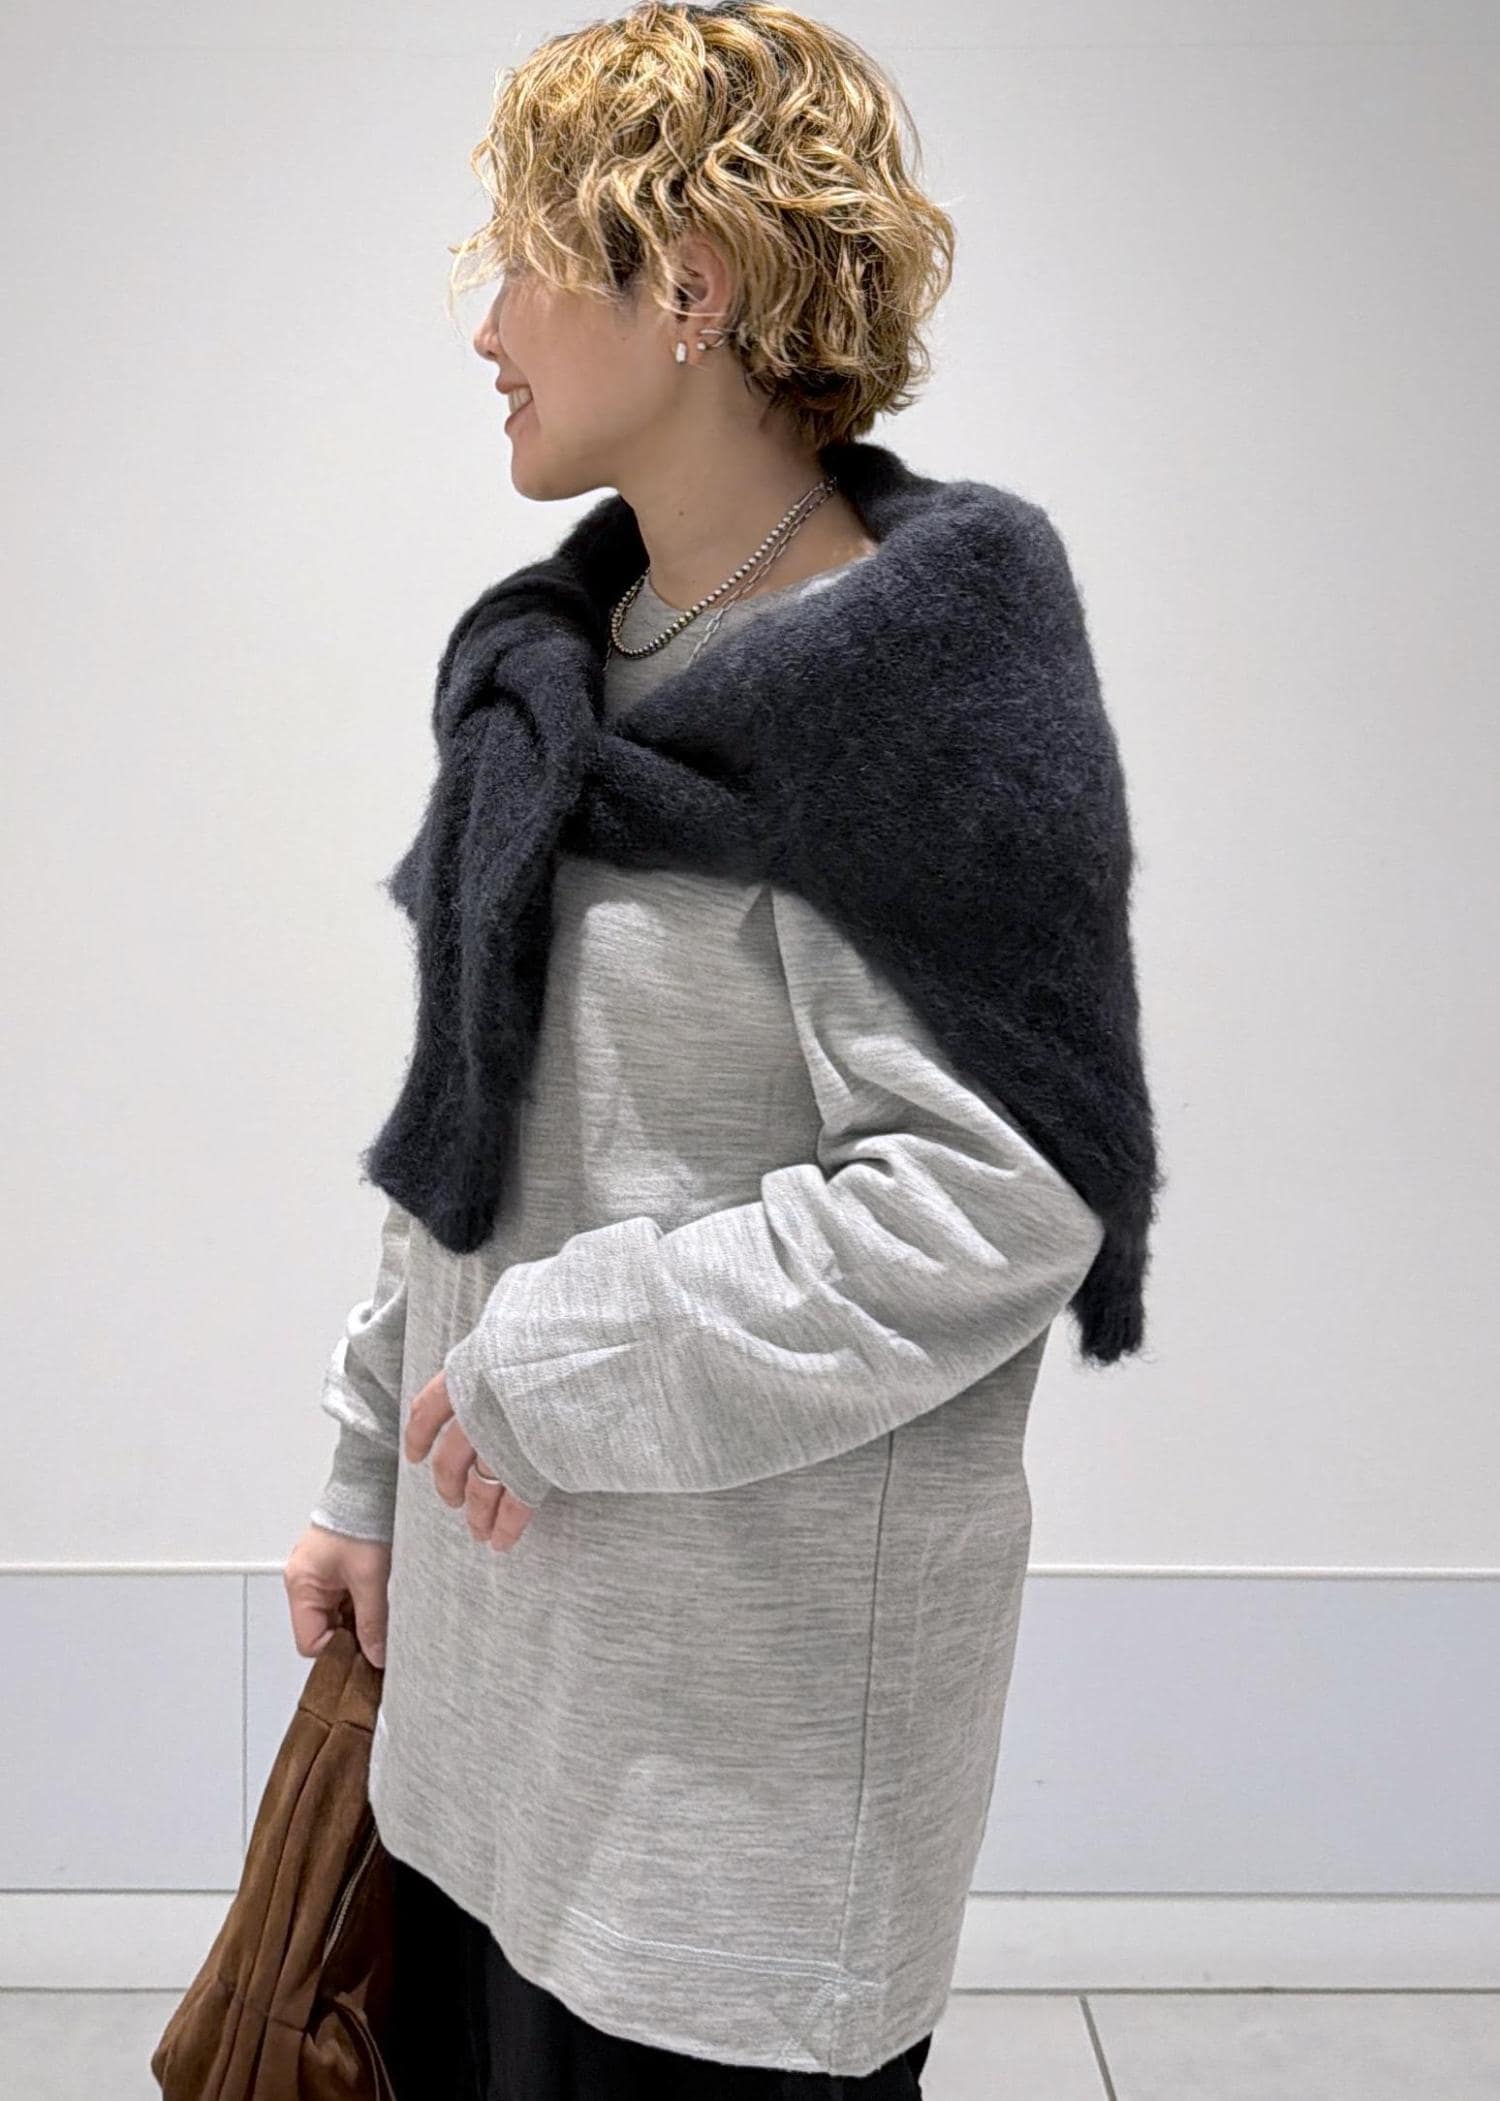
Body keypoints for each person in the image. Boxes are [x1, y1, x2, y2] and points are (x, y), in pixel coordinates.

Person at [283, 4, 1116, 2093]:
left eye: (522, 259)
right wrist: (371, 1461)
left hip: (739, 1767)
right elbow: (475, 1113)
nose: (485, 326)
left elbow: (998, 1192)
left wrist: (558, 1361)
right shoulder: (556, 670)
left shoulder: (912, 698)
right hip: (498, 1691)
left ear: (690, 283)